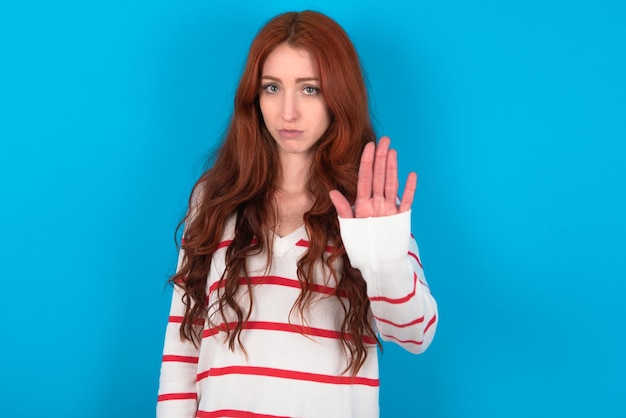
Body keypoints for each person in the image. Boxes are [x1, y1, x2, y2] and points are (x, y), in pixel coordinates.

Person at [157, 10, 438, 418]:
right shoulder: (213, 199)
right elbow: (182, 353)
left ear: (338, 96)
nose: (287, 112)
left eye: (310, 89)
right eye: (272, 88)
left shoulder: (365, 207)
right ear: (254, 97)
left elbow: (415, 334)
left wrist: (382, 257)